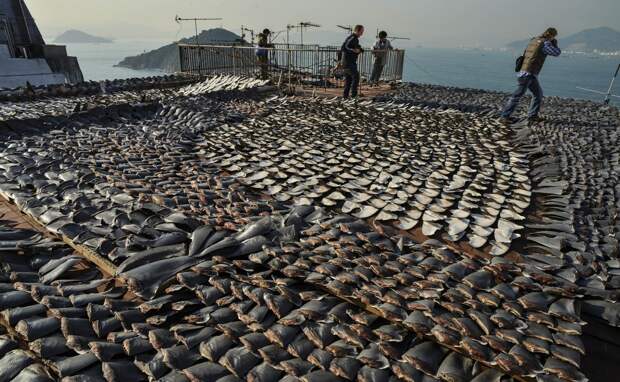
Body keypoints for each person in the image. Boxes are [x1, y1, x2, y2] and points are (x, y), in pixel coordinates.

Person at [499, 27, 561, 124]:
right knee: (517, 96)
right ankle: (504, 116)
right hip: (528, 73)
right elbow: (556, 53)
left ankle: (532, 116)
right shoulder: (545, 43)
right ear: (552, 35)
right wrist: (555, 44)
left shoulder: (534, 40)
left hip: (526, 72)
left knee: (538, 94)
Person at [340, 25, 364, 98]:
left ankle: (345, 96)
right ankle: (353, 95)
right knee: (356, 77)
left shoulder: (355, 39)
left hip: (349, 62)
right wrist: (354, 50)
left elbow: (354, 46)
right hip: (348, 62)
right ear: (357, 31)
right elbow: (344, 47)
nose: (362, 33)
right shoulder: (353, 37)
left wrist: (360, 49)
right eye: (361, 32)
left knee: (348, 80)